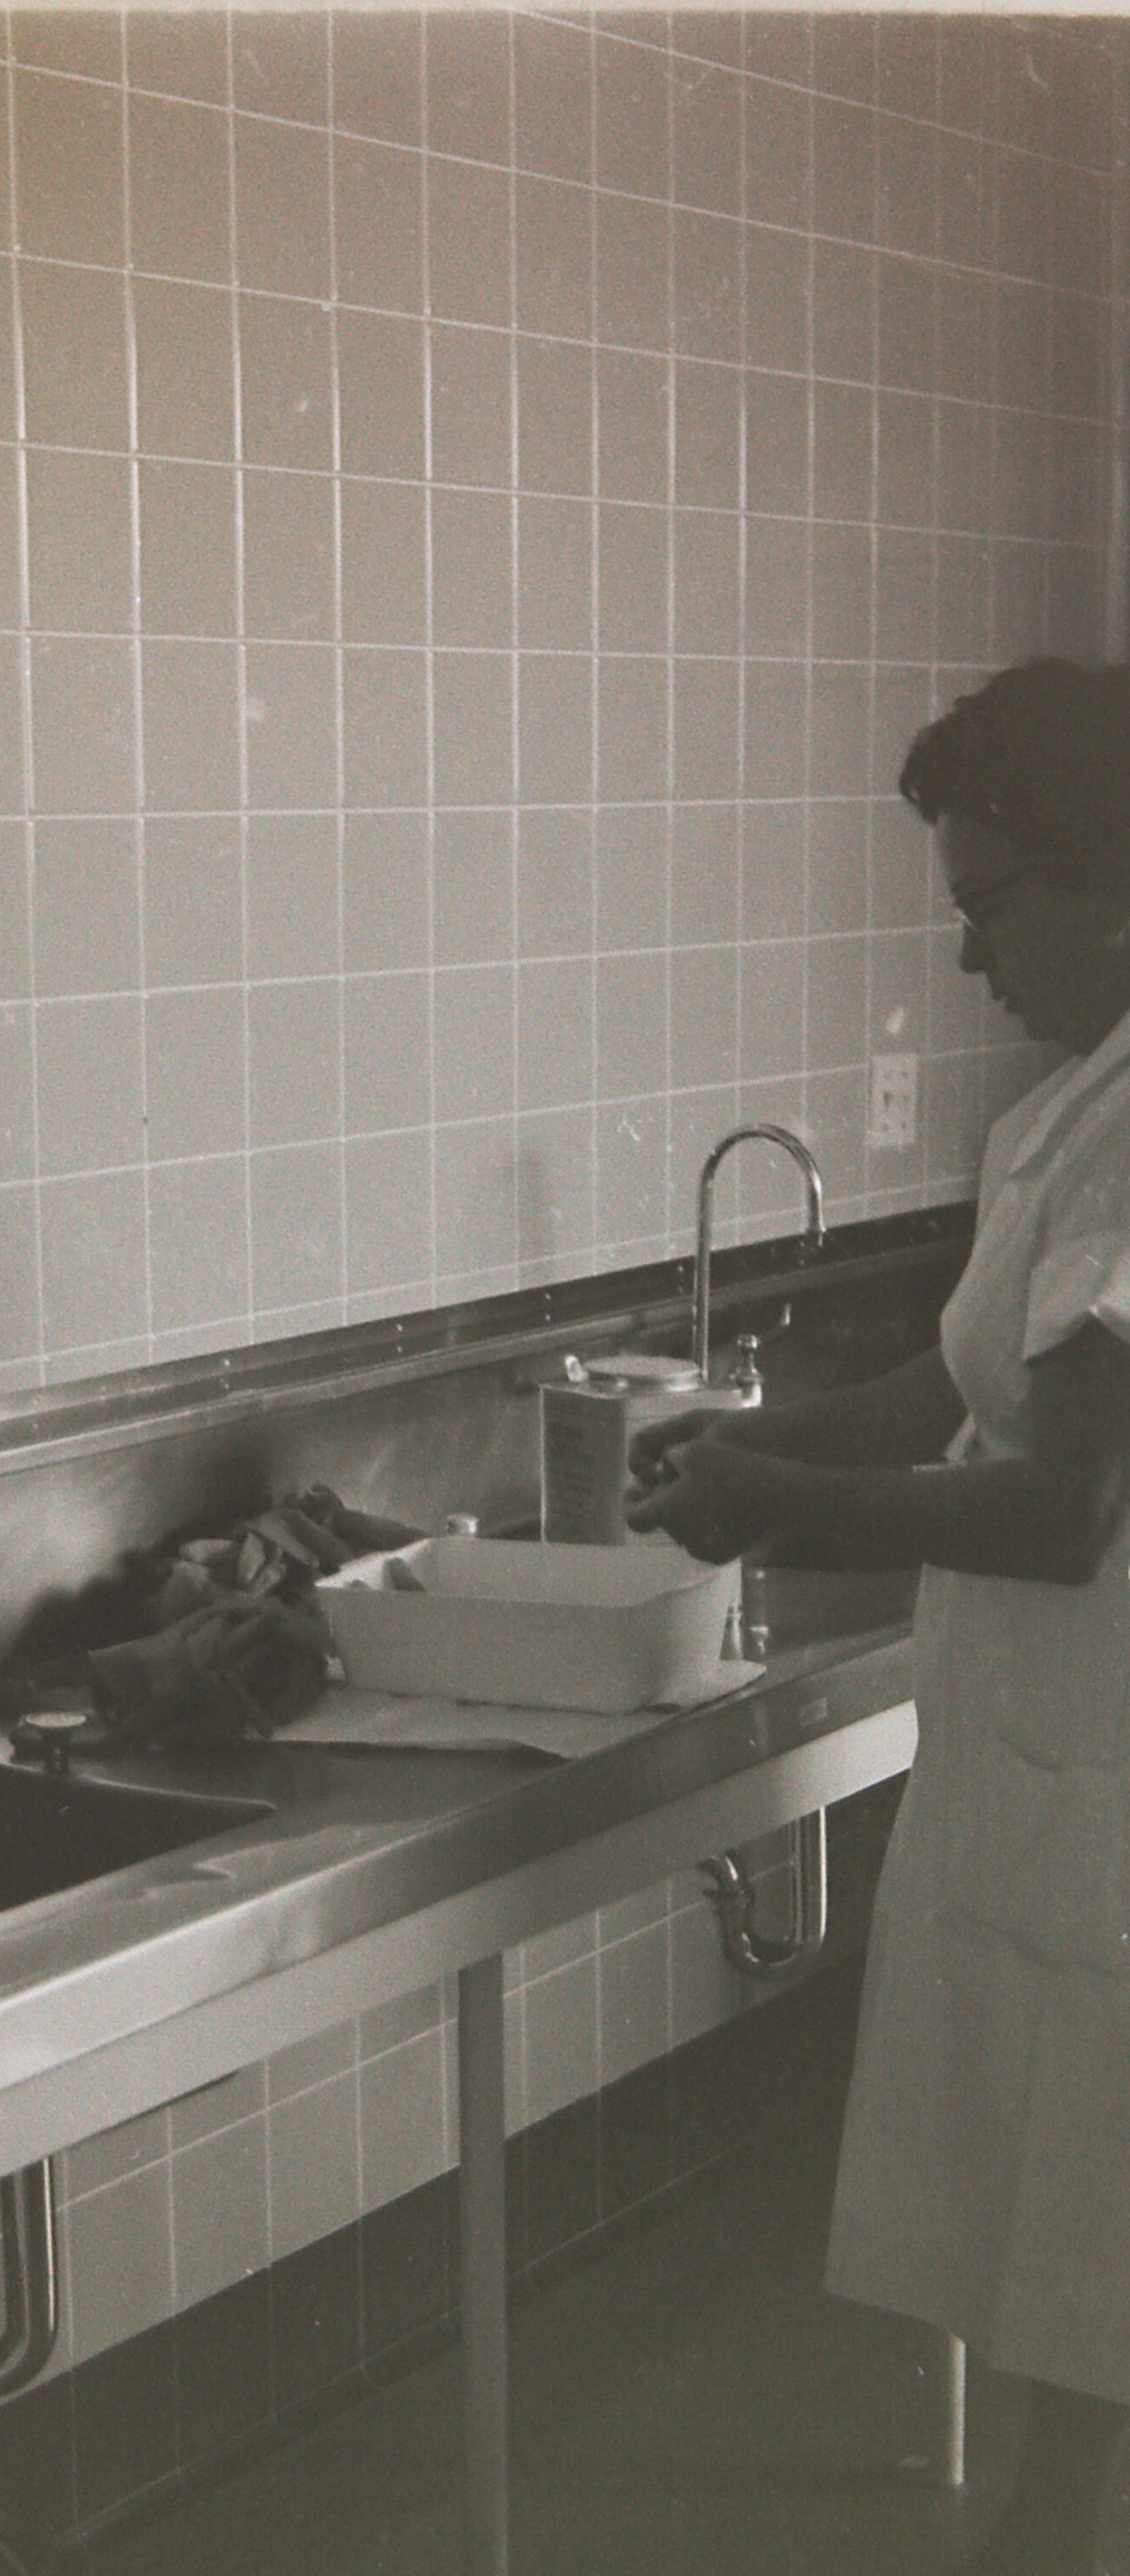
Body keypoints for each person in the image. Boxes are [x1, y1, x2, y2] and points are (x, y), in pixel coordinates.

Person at [624, 659, 1130, 2576]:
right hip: (1044, 1765)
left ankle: (1050, 2535)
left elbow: (1064, 1500)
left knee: (1093, 2207)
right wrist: (728, 1435)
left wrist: (783, 1508)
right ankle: (1050, 2524)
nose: (967, 952)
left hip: (1099, 1766)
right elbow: (947, 1390)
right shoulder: (1069, 1112)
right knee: (1070, 2220)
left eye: (991, 903)